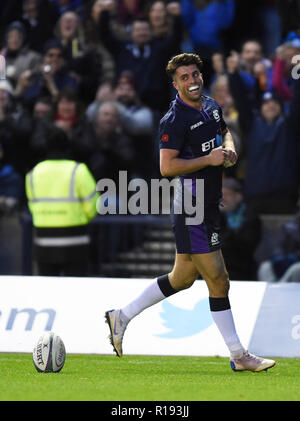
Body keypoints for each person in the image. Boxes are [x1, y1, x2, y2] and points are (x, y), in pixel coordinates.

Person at [105, 53, 275, 372]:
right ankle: (239, 355)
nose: (192, 80)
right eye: (184, 77)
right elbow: (166, 167)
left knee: (182, 277)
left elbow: (224, 131)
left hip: (207, 202)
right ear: (176, 84)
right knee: (219, 280)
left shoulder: (210, 104)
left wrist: (230, 146)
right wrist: (208, 160)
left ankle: (121, 315)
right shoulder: (173, 119)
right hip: (192, 205)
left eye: (195, 74)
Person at [25, 124, 99, 276]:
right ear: (67, 145)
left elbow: (32, 205)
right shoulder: (78, 170)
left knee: (48, 294)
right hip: (75, 240)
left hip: (43, 241)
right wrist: (83, 217)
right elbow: (94, 203)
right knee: (75, 292)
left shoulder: (32, 173)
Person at [220, 177, 261, 280]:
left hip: (241, 269)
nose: (222, 198)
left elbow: (247, 246)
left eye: (227, 194)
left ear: (238, 197)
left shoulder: (250, 218)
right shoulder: (215, 217)